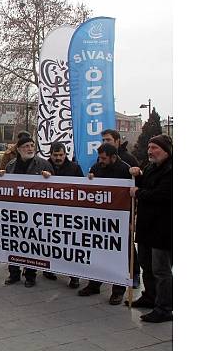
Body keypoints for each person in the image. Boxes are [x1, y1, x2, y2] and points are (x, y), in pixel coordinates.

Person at [77, 143, 132, 305]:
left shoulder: (125, 169)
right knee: (97, 252)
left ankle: (118, 290)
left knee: (118, 256)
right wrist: (90, 180)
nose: (100, 160)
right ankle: (94, 284)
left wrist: (130, 220)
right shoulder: (97, 167)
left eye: (103, 158)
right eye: (99, 157)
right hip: (99, 219)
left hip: (118, 220)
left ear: (113, 157)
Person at [126, 135, 173, 323]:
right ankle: (150, 297)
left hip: (163, 228)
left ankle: (164, 308)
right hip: (146, 226)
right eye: (149, 147)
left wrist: (139, 192)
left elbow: (163, 195)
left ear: (166, 150)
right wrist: (138, 178)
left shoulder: (172, 170)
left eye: (155, 148)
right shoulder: (151, 167)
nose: (150, 151)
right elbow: (144, 187)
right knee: (147, 265)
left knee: (161, 270)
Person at [0, 136, 54, 287]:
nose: (30, 148)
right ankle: (14, 273)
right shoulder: (11, 165)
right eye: (26, 146)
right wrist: (1, 177)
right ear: (18, 150)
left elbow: (55, 189)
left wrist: (49, 178)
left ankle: (30, 275)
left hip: (35, 213)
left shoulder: (43, 164)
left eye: (31, 145)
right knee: (13, 243)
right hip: (15, 211)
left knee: (31, 244)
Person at [40, 142, 84, 289]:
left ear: (65, 154)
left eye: (61, 155)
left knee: (70, 245)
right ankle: (50, 269)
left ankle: (74, 276)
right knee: (50, 243)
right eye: (55, 155)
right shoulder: (43, 166)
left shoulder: (74, 167)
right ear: (50, 154)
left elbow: (82, 188)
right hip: (49, 212)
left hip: (69, 213)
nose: (58, 158)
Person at [101, 129, 141, 288]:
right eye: (103, 140)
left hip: (123, 212)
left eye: (108, 140)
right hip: (106, 211)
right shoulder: (100, 159)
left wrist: (132, 217)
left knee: (128, 245)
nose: (105, 143)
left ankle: (135, 273)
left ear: (117, 141)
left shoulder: (129, 159)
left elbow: (137, 187)